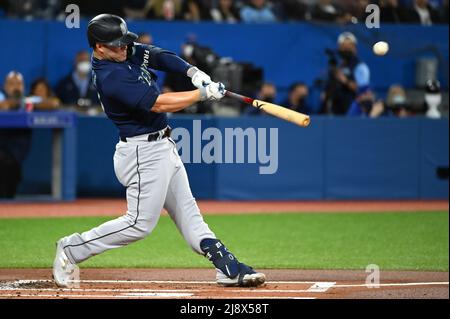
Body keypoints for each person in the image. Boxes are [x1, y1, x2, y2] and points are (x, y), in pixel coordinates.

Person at [52, 14, 266, 289]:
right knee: (138, 224)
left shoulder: (122, 52)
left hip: (162, 145)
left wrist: (193, 73)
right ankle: (72, 249)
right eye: (115, 45)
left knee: (189, 213)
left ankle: (227, 267)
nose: (124, 49)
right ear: (99, 47)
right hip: (142, 153)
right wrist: (201, 95)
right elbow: (158, 104)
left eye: (124, 43)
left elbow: (157, 55)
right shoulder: (110, 76)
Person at [321, 32, 371, 115]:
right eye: (344, 47)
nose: (346, 50)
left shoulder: (360, 66)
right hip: (335, 110)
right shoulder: (337, 65)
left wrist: (344, 80)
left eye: (349, 47)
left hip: (352, 110)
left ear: (354, 48)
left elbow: (363, 92)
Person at [0, 71, 32, 198]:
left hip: (17, 147)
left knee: (11, 168)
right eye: (12, 83)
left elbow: (53, 103)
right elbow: (6, 104)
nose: (15, 87)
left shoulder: (28, 100)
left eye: (18, 84)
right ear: (5, 85)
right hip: (2, 143)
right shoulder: (1, 96)